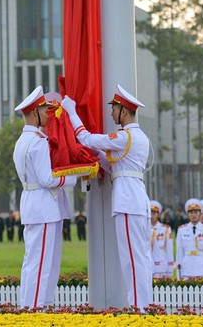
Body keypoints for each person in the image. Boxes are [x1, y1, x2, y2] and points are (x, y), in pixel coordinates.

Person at [62, 85, 151, 310]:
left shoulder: (126, 136)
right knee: (137, 258)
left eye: (114, 108)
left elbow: (85, 138)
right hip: (133, 199)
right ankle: (142, 306)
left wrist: (72, 113)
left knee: (133, 259)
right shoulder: (134, 137)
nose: (111, 113)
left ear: (125, 111)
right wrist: (96, 155)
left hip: (129, 202)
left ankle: (140, 308)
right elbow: (114, 166)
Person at [14, 86, 78, 309]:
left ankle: (38, 304)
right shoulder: (38, 142)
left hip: (34, 204)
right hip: (43, 205)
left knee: (37, 261)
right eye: (44, 110)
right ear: (34, 113)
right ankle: (35, 308)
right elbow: (47, 179)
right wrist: (72, 177)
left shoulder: (23, 140)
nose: (47, 114)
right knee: (42, 263)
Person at [176, 199, 203, 279]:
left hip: (201, 268)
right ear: (188, 214)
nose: (193, 215)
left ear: (200, 214)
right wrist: (178, 273)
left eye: (196, 212)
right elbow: (179, 253)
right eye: (191, 212)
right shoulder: (181, 230)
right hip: (186, 268)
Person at [149, 201, 174, 278]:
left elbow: (169, 250)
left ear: (158, 214)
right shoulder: (144, 229)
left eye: (154, 213)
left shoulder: (165, 229)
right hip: (148, 267)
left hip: (162, 267)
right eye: (149, 213)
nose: (151, 216)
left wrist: (170, 269)